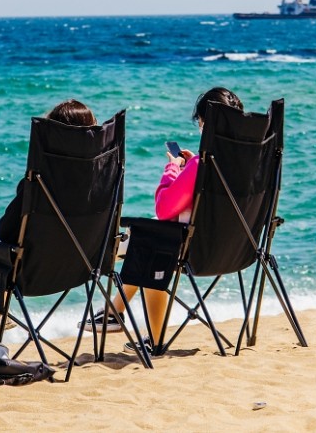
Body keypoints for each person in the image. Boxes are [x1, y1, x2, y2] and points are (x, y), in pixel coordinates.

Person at [84, 87, 244, 352]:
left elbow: (164, 209)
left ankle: (152, 340)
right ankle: (114, 312)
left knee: (150, 244)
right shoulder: (246, 161)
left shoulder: (201, 164)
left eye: (201, 122)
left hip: (191, 250)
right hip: (236, 248)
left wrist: (173, 170)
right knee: (148, 240)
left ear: (207, 123)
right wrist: (191, 167)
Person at [0, 99, 99, 336]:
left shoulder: (40, 180)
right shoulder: (104, 180)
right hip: (84, 268)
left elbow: (6, 231)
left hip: (32, 275)